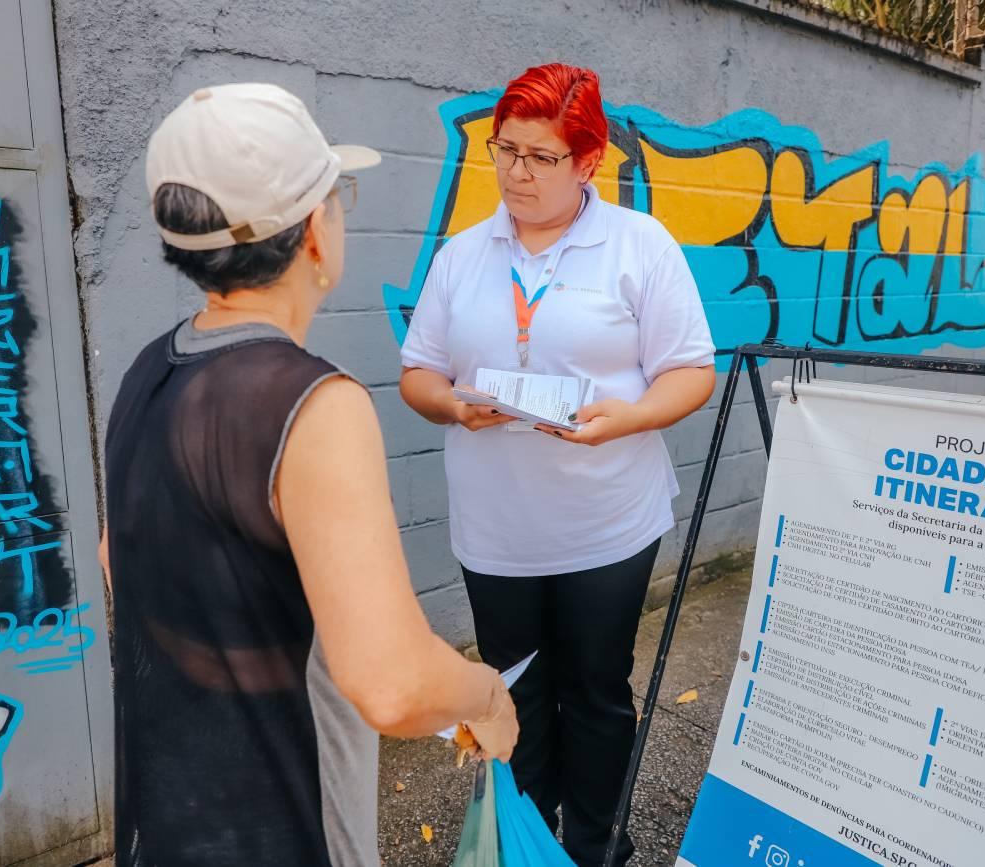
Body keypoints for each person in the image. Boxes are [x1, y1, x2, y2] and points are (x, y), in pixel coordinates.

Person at [101, 83, 517, 867]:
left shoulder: (147, 370)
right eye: (338, 196)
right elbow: (390, 682)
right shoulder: (314, 405)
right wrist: (484, 693)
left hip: (166, 818)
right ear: (314, 234)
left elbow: (114, 562)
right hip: (286, 825)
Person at [399, 63, 716, 866]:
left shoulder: (639, 246)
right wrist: (453, 406)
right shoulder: (463, 255)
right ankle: (528, 841)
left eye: (541, 157)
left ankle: (600, 841)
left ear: (588, 161)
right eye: (505, 151)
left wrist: (628, 418)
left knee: (598, 692)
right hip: (496, 528)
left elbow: (690, 371)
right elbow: (417, 374)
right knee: (513, 694)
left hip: (608, 524)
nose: (515, 173)